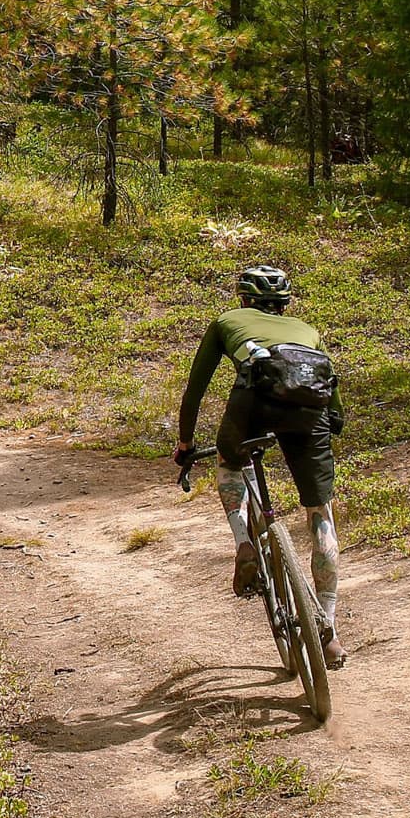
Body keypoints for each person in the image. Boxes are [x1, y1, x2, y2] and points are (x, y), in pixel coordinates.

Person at [172, 264, 348, 666]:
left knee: (230, 466)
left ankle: (244, 542)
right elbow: (330, 386)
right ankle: (330, 632)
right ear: (286, 304)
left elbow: (195, 390)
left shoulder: (226, 322)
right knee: (321, 515)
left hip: (252, 404)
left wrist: (185, 442)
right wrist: (332, 421)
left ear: (244, 299)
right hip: (311, 413)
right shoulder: (307, 331)